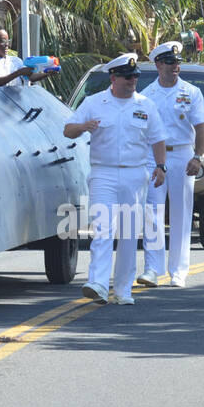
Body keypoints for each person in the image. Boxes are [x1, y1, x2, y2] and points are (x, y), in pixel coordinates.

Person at [63, 53, 166, 305]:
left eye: (135, 77)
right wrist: (84, 126)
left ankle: (123, 290)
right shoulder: (94, 102)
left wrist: (161, 166)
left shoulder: (145, 105)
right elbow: (68, 130)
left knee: (129, 234)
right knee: (103, 229)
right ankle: (97, 283)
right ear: (114, 77)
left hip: (134, 174)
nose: (132, 81)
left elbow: (158, 138)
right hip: (103, 172)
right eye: (128, 77)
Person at [138, 41, 204, 289]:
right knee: (152, 213)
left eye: (177, 62)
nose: (175, 66)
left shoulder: (192, 92)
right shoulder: (146, 95)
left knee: (180, 214)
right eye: (170, 62)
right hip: (152, 158)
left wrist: (197, 157)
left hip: (182, 155)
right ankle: (152, 269)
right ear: (158, 65)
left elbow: (201, 129)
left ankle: (178, 271)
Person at [0, 25, 57, 89]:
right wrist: (19, 72)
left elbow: (31, 77)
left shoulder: (15, 60)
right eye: (3, 41)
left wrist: (47, 73)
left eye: (8, 41)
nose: (7, 45)